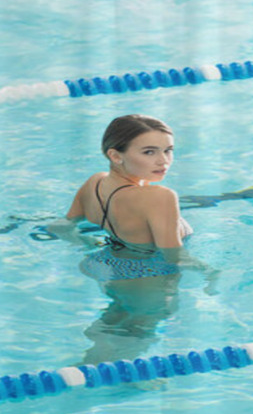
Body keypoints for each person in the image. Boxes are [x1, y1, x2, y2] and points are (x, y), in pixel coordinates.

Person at [47, 114, 217, 365]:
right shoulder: (159, 197)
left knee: (113, 329)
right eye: (149, 152)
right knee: (137, 335)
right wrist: (210, 271)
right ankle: (112, 386)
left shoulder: (95, 183)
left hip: (112, 266)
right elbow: (173, 255)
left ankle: (78, 378)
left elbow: (61, 227)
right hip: (149, 277)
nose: (164, 161)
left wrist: (88, 244)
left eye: (168, 151)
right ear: (116, 156)